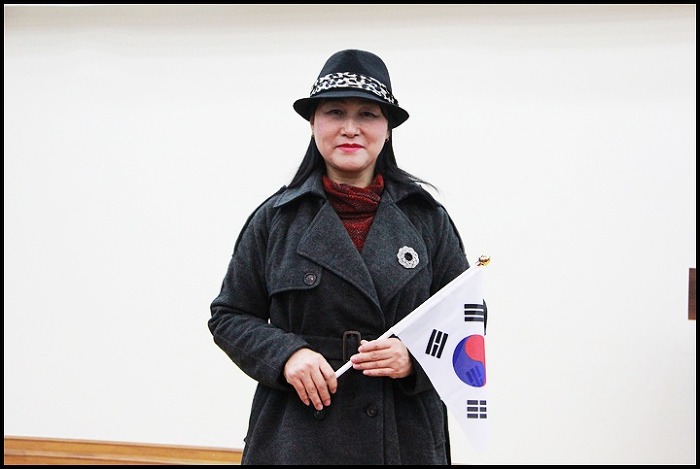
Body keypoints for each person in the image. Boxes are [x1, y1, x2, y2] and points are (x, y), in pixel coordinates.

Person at [209, 49, 476, 465]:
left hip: (404, 436)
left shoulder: (427, 219)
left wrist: (415, 358)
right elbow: (230, 315)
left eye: (367, 114)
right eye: (335, 112)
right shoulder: (276, 219)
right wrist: (287, 355)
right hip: (298, 435)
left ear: (388, 128)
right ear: (313, 123)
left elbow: (465, 319)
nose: (350, 128)